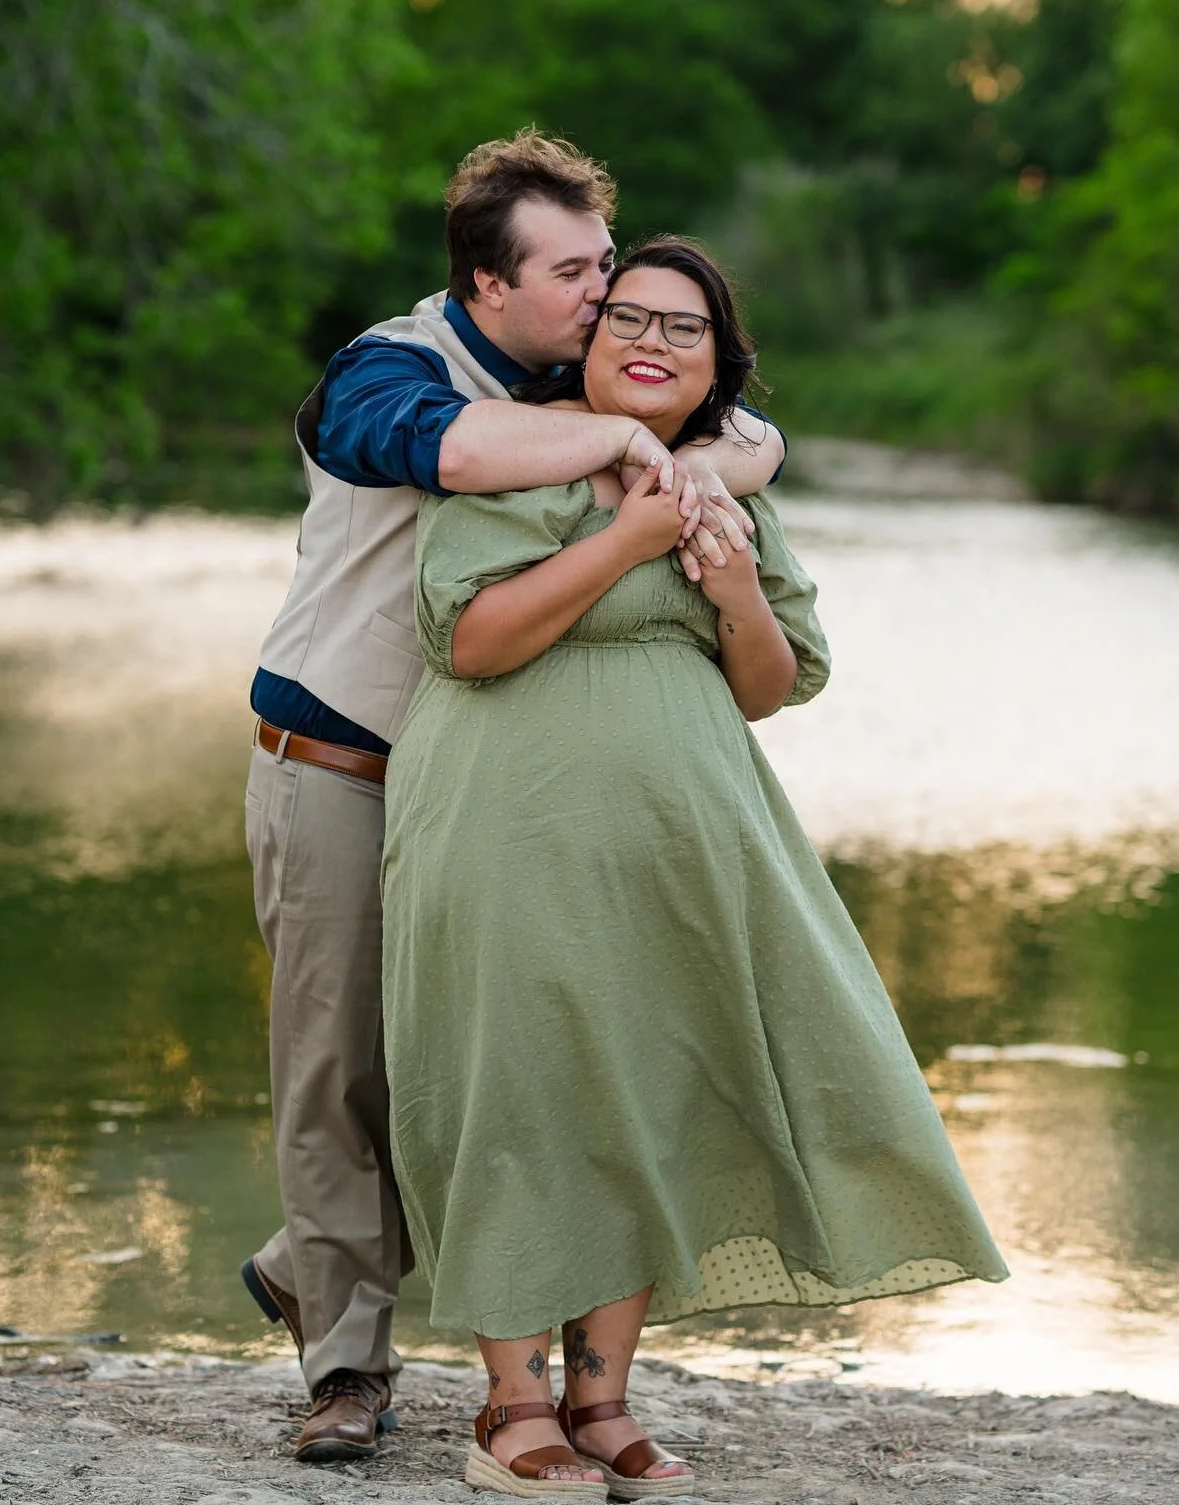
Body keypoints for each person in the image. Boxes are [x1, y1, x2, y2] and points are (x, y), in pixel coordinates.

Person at [381, 237, 1008, 1497]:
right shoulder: (515, 455)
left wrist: (731, 584)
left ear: (720, 365)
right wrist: (635, 535)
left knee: (650, 1091)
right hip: (505, 826)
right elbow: (478, 642)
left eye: (685, 329)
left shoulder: (743, 492)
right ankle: (511, 1404)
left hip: (688, 846)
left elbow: (772, 687)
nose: (651, 343)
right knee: (517, 1087)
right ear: (590, 337)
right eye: (627, 319)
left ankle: (602, 1400)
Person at [241, 135, 785, 1463]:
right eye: (577, 273)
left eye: (610, 265)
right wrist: (624, 439)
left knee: (518, 1063)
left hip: (490, 792)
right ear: (489, 284)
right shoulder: (388, 371)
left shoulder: (571, 370)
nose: (607, 297)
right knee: (346, 1076)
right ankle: (346, 1369)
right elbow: (452, 454)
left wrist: (700, 458)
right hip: (342, 767)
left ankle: (312, 1258)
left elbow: (754, 425)